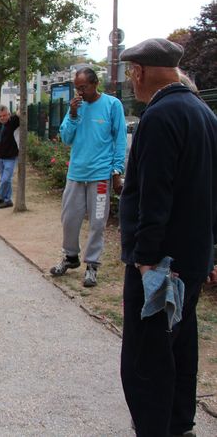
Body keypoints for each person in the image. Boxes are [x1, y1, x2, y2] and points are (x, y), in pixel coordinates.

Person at [119, 38, 217, 436]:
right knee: (179, 345)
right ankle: (179, 424)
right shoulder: (204, 114)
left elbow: (154, 196)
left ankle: (156, 428)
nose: (130, 81)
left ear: (140, 72)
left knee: (147, 359)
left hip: (161, 265)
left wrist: (145, 258)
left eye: (130, 73)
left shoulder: (160, 117)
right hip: (191, 260)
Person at [49, 67, 127, 288]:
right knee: (69, 218)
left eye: (83, 87)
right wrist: (72, 115)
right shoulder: (75, 107)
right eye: (77, 88)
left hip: (100, 175)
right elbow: (65, 138)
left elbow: (120, 140)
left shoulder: (112, 105)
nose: (79, 92)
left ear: (94, 84)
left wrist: (116, 172)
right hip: (76, 174)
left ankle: (92, 264)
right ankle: (70, 257)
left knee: (97, 222)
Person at [0, 105, 19, 209]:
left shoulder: (12, 123)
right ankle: (7, 200)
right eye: (0, 116)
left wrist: (20, 108)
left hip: (10, 157)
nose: (2, 118)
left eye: (4, 115)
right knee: (5, 180)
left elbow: (20, 113)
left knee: (5, 179)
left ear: (9, 114)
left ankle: (0, 197)